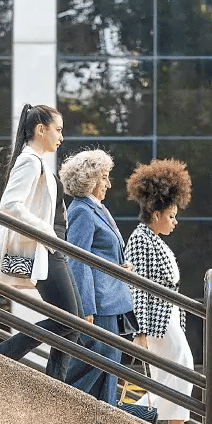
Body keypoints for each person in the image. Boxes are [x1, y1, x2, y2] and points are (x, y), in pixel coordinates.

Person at [0, 103, 84, 381]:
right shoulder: (29, 160)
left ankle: (56, 386)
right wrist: (46, 232)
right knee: (70, 320)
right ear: (41, 130)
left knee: (74, 323)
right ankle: (3, 354)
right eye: (58, 130)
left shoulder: (37, 161)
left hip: (53, 248)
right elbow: (10, 204)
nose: (61, 137)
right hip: (46, 248)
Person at [59, 148, 137, 405]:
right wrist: (87, 307)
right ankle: (63, 406)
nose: (108, 183)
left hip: (109, 299)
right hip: (99, 302)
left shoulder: (97, 208)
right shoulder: (81, 210)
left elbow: (101, 253)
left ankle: (100, 417)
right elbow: (78, 259)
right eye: (104, 177)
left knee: (108, 363)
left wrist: (119, 266)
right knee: (98, 359)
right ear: (90, 180)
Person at [124, 158, 193, 424]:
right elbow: (135, 285)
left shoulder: (155, 240)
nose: (175, 221)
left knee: (174, 376)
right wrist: (139, 329)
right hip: (156, 322)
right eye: (171, 215)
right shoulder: (140, 239)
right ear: (156, 214)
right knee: (180, 372)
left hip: (168, 317)